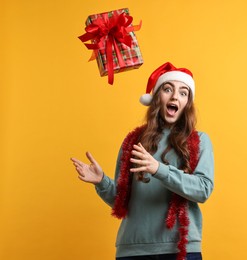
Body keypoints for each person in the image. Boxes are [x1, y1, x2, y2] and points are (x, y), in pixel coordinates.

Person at [70, 62, 214, 260]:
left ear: (187, 103)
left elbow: (203, 190)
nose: (174, 96)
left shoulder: (199, 141)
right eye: (167, 89)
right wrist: (102, 181)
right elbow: (122, 200)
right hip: (132, 249)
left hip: (179, 250)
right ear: (156, 98)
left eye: (183, 92)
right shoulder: (133, 141)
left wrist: (159, 169)